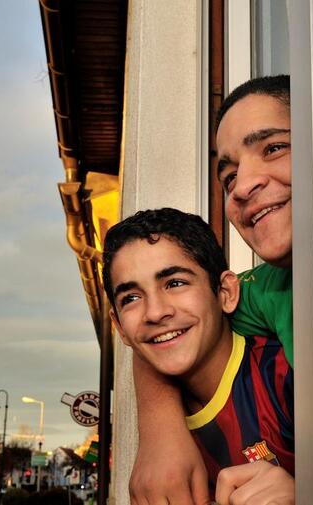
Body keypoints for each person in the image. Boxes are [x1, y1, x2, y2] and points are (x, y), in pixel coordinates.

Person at [130, 75, 293, 505]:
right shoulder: (267, 292)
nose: (242, 186)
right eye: (229, 174)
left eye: (273, 148)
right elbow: (168, 323)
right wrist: (160, 430)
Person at [104, 208, 295, 504]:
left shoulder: (286, 377)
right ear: (120, 329)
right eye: (131, 298)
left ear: (226, 293)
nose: (155, 312)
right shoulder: (162, 448)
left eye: (175, 283)